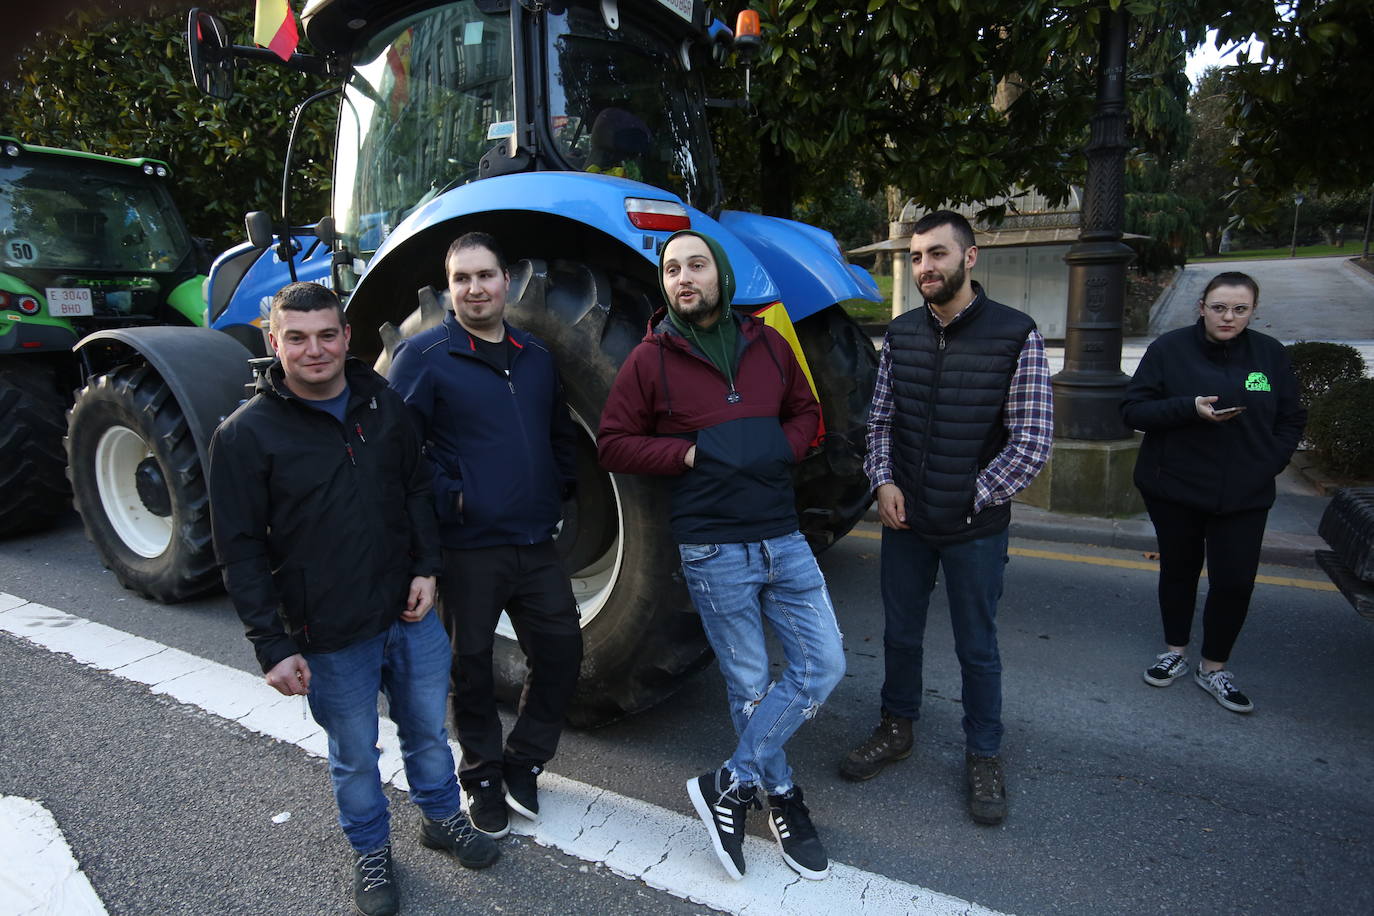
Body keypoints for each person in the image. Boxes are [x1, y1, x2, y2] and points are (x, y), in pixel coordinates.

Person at [207, 282, 497, 916]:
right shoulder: (244, 437)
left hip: (408, 612)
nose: (316, 351)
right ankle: (371, 852)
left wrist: (427, 568)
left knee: (427, 730)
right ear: (272, 341)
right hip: (330, 632)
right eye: (298, 338)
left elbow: (417, 489)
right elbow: (240, 550)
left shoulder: (382, 403)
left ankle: (442, 819)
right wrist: (272, 645)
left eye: (328, 334)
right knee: (355, 756)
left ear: (346, 335)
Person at [597, 229, 845, 882]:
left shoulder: (768, 343)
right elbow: (613, 443)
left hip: (782, 538)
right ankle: (781, 796)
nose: (683, 277)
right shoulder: (648, 360)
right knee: (748, 686)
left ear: (721, 276)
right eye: (672, 268)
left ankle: (729, 781)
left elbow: (807, 412)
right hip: (712, 548)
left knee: (824, 666)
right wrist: (686, 453)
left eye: (696, 265)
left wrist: (782, 448)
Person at [839, 210, 1052, 827]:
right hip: (906, 523)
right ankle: (896, 727)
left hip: (974, 530)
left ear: (970, 257)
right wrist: (881, 480)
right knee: (900, 635)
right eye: (917, 258)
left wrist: (974, 495)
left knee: (976, 647)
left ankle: (983, 751)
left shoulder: (1016, 334)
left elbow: (1032, 439)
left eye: (937, 254)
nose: (925, 267)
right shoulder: (902, 334)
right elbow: (879, 422)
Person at [388, 232, 583, 841]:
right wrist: (455, 498)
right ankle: (481, 778)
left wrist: (558, 490)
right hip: (469, 548)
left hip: (532, 541)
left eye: (486, 275)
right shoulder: (423, 356)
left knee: (561, 652)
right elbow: (399, 454)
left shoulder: (535, 354)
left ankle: (523, 761)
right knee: (470, 669)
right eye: (462, 278)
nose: (475, 288)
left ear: (506, 281)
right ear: (450, 288)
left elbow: (559, 433)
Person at [1122, 270, 1306, 713]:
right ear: (1201, 306)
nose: (1228, 317)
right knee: (1180, 571)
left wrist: (1270, 463)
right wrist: (1189, 408)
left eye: (1239, 309)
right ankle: (1175, 652)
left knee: (1236, 582)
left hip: (1245, 492)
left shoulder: (1269, 355)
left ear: (1252, 312)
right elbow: (1133, 409)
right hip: (1176, 487)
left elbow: (1291, 418)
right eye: (1219, 307)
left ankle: (1214, 667)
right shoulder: (1169, 350)